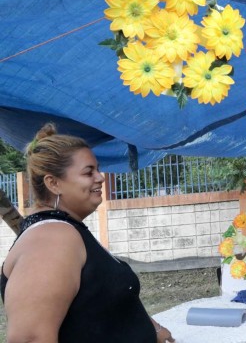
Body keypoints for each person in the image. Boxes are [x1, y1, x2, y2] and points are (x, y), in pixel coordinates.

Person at [1, 123, 175, 343]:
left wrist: (154, 329)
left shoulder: (66, 230)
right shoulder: (50, 240)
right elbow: (30, 338)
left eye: (98, 169)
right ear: (53, 183)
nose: (100, 178)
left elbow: (103, 299)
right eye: (88, 172)